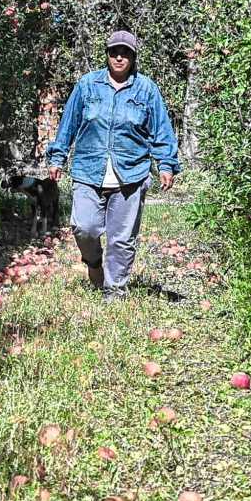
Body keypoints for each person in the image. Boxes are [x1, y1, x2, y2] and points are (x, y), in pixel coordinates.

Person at [45, 30, 180, 302]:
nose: (119, 57)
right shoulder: (87, 85)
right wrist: (57, 156)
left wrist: (166, 164)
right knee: (84, 227)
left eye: (126, 53)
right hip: (88, 171)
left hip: (130, 173)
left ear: (133, 57)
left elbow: (161, 130)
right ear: (107, 55)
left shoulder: (146, 89)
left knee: (121, 239)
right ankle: (94, 265)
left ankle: (115, 291)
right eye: (114, 52)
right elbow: (68, 123)